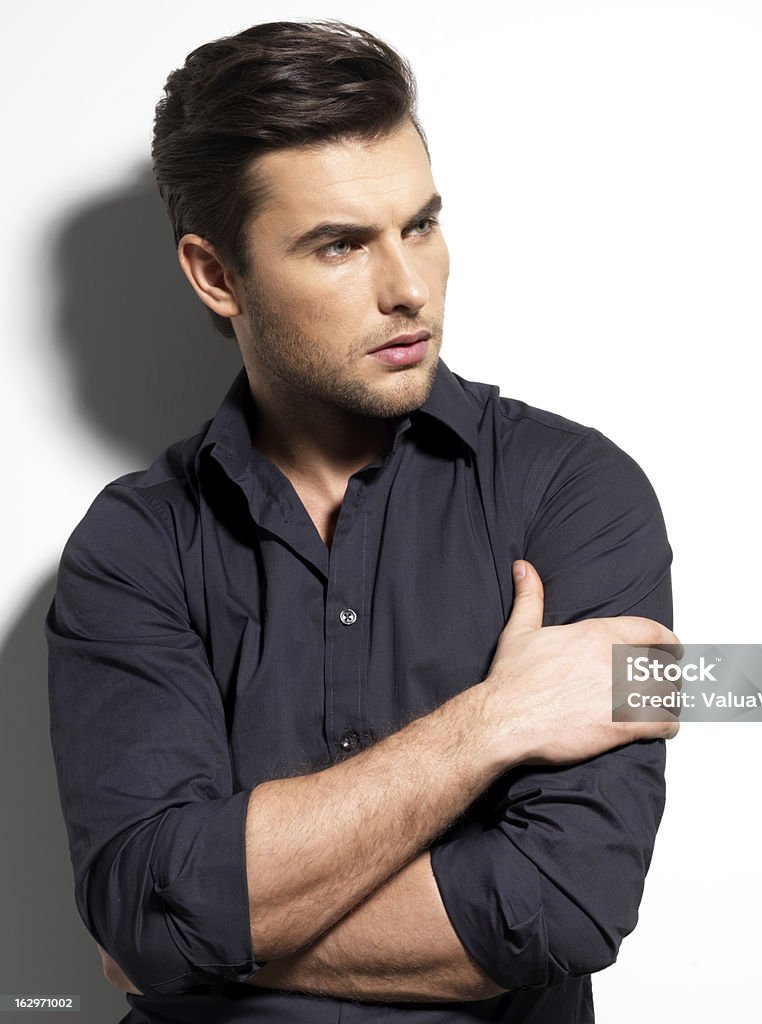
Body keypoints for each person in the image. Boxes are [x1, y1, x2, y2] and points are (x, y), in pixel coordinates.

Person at [46, 20, 678, 1024]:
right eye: (340, 245)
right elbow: (143, 906)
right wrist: (490, 724)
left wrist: (202, 942)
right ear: (216, 275)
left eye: (420, 225)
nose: (408, 288)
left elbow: (567, 903)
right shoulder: (129, 549)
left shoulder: (585, 494)